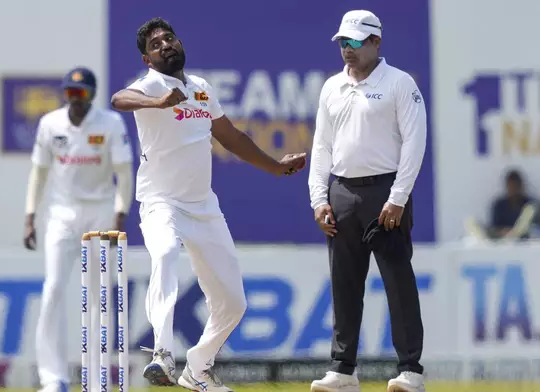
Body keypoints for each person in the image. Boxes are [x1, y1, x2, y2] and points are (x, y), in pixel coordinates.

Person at [111, 17, 306, 392]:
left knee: (234, 303)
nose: (165, 45)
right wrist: (157, 101)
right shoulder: (150, 84)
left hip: (203, 207)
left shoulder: (201, 88)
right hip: (160, 202)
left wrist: (277, 167)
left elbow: (232, 137)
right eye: (156, 44)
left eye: (169, 38)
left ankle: (198, 367)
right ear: (148, 59)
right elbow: (119, 99)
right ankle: (163, 353)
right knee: (165, 253)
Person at [307, 10, 427, 392]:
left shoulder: (399, 83)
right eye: (343, 42)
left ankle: (410, 370)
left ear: (376, 41)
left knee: (397, 280)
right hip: (341, 192)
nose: (348, 49)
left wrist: (398, 197)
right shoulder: (331, 87)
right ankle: (342, 370)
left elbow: (415, 143)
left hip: (385, 193)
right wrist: (318, 200)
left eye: (356, 42)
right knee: (344, 284)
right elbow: (322, 146)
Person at [23, 67, 135, 392]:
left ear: (92, 95)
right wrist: (30, 215)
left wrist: (120, 213)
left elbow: (124, 174)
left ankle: (99, 379)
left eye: (81, 93)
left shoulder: (110, 123)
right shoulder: (50, 124)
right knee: (53, 290)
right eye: (70, 93)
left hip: (99, 213)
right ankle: (52, 378)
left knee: (100, 296)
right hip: (61, 215)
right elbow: (38, 173)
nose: (75, 100)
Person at [488, 169, 537, 240]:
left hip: (526, 244)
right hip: (503, 243)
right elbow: (494, 228)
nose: (514, 189)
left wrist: (520, 232)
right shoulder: (499, 205)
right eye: (511, 186)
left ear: (521, 186)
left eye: (516, 186)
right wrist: (506, 232)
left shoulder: (532, 204)